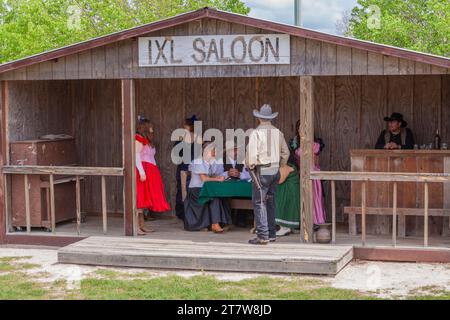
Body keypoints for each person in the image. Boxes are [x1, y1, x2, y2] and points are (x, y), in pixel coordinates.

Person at [246, 104, 290, 245]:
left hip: (262, 171)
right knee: (270, 202)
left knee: (259, 202)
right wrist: (280, 164)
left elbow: (251, 156)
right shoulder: (278, 133)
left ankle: (263, 235)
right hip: (275, 170)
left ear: (259, 118)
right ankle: (271, 233)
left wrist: (251, 165)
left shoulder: (256, 133)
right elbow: (286, 153)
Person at [183, 143, 232, 233]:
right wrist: (217, 179)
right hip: (196, 190)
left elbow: (216, 175)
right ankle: (215, 224)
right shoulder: (198, 161)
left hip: (205, 189)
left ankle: (222, 223)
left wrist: (226, 174)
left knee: (220, 195)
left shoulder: (210, 163)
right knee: (214, 196)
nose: (216, 153)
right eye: (214, 151)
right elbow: (204, 179)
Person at [135, 116, 171, 235]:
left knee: (145, 198)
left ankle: (142, 225)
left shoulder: (147, 141)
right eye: (151, 127)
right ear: (145, 128)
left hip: (151, 170)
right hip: (143, 170)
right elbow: (136, 157)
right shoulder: (138, 140)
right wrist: (141, 172)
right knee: (140, 198)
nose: (152, 129)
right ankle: (136, 226)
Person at [174, 115, 199, 220]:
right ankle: (184, 213)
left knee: (186, 190)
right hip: (187, 167)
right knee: (183, 189)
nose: (184, 127)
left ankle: (186, 213)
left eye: (186, 125)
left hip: (189, 166)